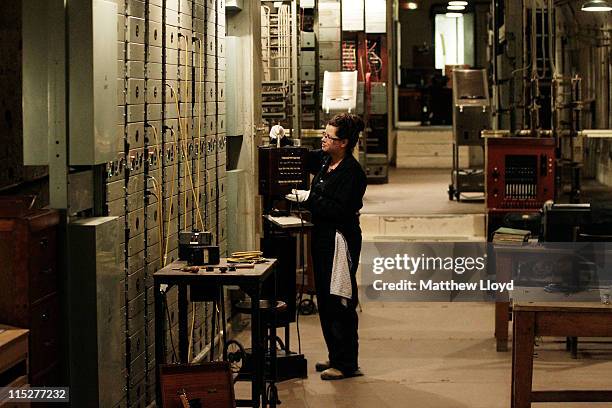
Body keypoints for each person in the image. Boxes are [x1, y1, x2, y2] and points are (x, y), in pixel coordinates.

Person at [286, 113, 367, 380]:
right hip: (322, 238)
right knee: (324, 296)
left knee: (339, 299)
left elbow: (339, 210)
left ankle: (346, 363)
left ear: (343, 142)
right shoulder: (326, 161)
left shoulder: (352, 173)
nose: (323, 139)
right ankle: (335, 354)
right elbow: (305, 157)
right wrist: (283, 139)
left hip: (340, 240)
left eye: (328, 137)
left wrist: (309, 198)